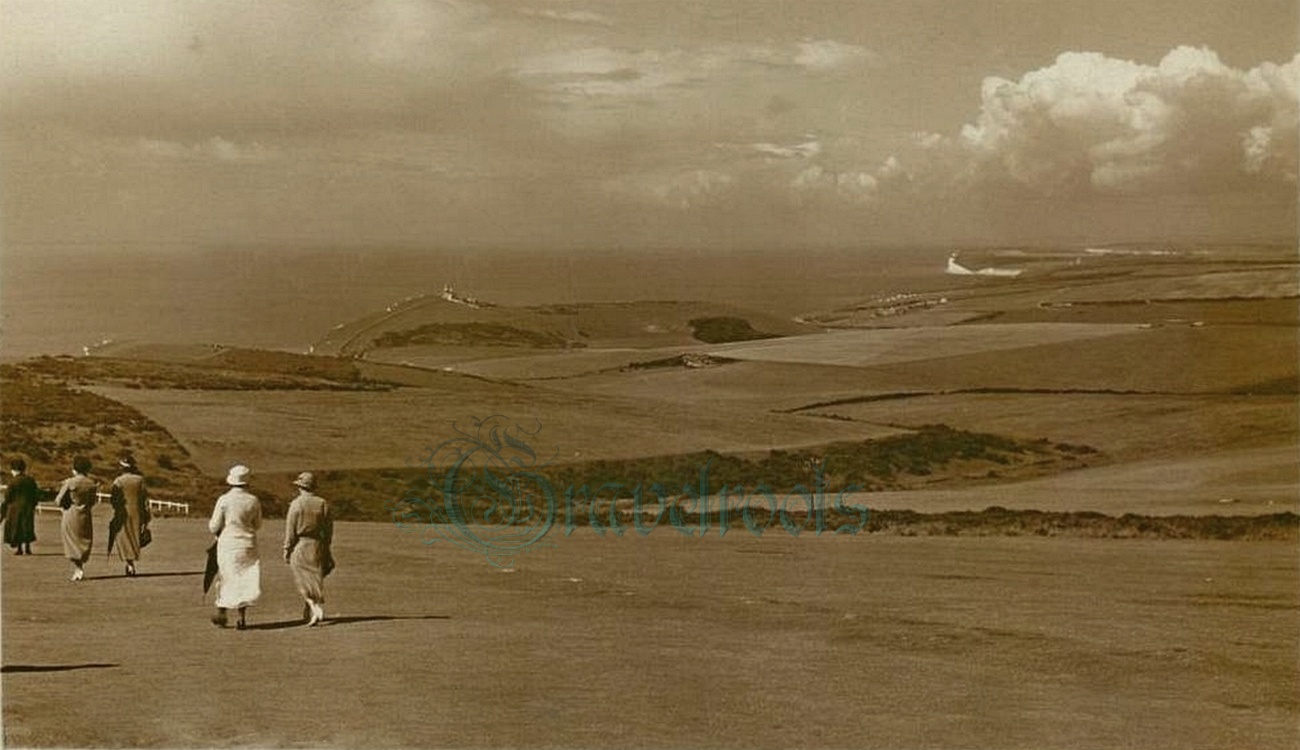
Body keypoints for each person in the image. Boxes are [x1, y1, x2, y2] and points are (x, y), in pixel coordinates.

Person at [208, 464, 262, 629]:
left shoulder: (224, 500)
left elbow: (214, 526)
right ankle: (241, 617)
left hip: (228, 543)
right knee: (245, 579)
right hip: (248, 543)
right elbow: (258, 524)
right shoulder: (253, 500)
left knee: (226, 576)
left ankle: (221, 610)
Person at [283, 472, 335, 627]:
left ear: (300, 487)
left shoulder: (296, 504)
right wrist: (326, 546)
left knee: (302, 579)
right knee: (314, 577)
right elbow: (329, 528)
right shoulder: (322, 503)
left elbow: (290, 530)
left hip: (302, 544)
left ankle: (315, 607)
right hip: (318, 544)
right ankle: (309, 609)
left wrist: (286, 548)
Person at [53, 456, 99, 581]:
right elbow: (93, 502)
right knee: (83, 540)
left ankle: (78, 568)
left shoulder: (70, 482)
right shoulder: (92, 484)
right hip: (85, 514)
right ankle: (80, 566)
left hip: (70, 514)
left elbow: (58, 500)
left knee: (71, 541)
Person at [109, 454, 151, 576]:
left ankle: (129, 563)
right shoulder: (140, 480)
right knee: (134, 538)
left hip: (123, 513)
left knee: (125, 539)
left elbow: (114, 500)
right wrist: (147, 516)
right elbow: (145, 500)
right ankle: (130, 563)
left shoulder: (118, 481)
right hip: (138, 513)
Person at [2, 458, 40, 555]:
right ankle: (28, 548)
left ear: (14, 469)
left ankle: (19, 548)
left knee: (17, 528)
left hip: (14, 508)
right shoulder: (30, 480)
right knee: (27, 527)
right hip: (28, 507)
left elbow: (8, 496)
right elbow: (36, 494)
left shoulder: (13, 481)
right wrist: (33, 505)